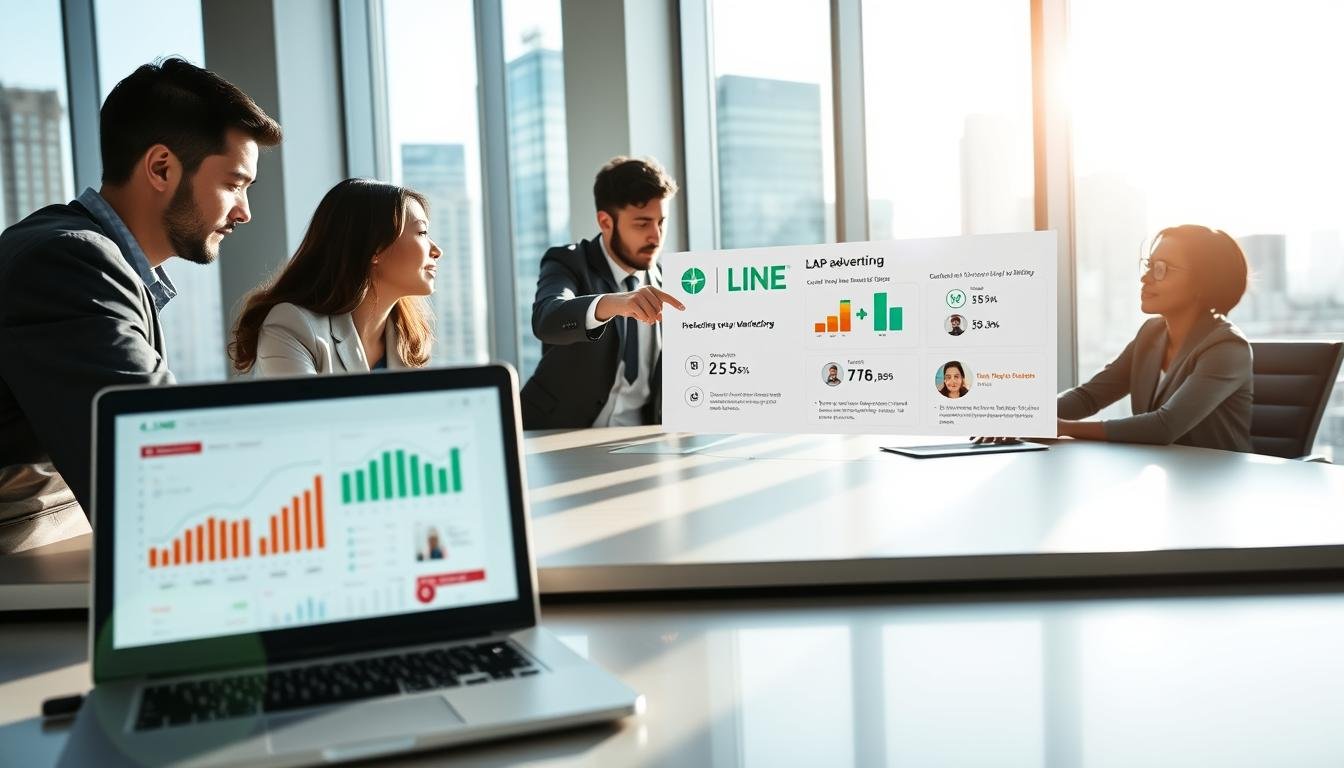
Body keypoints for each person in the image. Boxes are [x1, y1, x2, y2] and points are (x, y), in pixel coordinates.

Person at [0, 58, 280, 548]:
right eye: (234, 184)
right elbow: (156, 464)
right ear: (161, 168)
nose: (245, 212)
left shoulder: (82, 254)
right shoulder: (70, 262)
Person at [1054, 225, 1252, 451]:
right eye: (1149, 265)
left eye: (1161, 269)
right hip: (1163, 472)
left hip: (1222, 481)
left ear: (1202, 282)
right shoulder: (1151, 333)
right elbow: (1089, 397)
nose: (1145, 278)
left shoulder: (1227, 348)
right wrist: (1027, 415)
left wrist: (1063, 428)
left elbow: (1164, 426)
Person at [521, 156, 685, 428]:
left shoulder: (670, 282)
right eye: (642, 224)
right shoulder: (568, 262)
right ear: (605, 222)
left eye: (661, 222)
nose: (656, 237)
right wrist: (614, 304)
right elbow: (547, 320)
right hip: (555, 434)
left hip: (636, 441)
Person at [230, 179, 439, 375]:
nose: (436, 251)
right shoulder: (292, 325)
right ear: (375, 247)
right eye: (421, 233)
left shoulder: (407, 339)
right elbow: (309, 415)